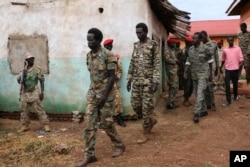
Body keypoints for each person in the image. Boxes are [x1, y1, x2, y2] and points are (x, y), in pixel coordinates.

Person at [76, 28, 125, 167]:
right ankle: (89, 155)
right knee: (89, 123)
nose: (88, 42)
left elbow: (112, 77)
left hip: (105, 95)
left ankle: (120, 145)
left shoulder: (108, 55)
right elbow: (92, 75)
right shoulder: (88, 55)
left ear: (98, 40)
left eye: (91, 40)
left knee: (106, 123)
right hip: (92, 94)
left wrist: (104, 97)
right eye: (87, 40)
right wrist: (96, 92)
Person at [127, 23, 159, 144]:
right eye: (137, 33)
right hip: (136, 81)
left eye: (140, 32)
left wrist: (155, 81)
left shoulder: (152, 45)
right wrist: (129, 78)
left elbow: (156, 63)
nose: (138, 35)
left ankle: (145, 132)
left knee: (146, 107)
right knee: (135, 104)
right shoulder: (136, 46)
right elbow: (132, 62)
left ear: (146, 32)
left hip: (148, 82)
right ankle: (150, 119)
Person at [17, 52, 50, 132]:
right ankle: (25, 125)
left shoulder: (37, 70)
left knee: (39, 109)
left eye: (32, 59)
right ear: (26, 61)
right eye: (29, 59)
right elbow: (19, 81)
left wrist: (42, 92)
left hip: (34, 91)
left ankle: (45, 125)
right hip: (25, 92)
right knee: (24, 110)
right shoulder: (23, 71)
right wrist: (23, 74)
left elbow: (42, 81)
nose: (32, 61)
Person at [184, 32, 213, 123]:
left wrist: (211, 74)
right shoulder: (191, 49)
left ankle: (196, 113)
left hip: (203, 74)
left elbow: (210, 61)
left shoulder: (205, 48)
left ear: (200, 39)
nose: (194, 40)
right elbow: (188, 61)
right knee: (197, 94)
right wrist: (185, 72)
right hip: (194, 74)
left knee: (200, 93)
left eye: (196, 38)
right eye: (193, 38)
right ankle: (204, 110)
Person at [103, 38, 126, 127]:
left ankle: (119, 118)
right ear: (104, 47)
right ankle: (103, 121)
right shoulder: (101, 57)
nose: (109, 47)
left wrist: (117, 77)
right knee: (104, 102)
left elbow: (120, 69)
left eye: (110, 46)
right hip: (104, 84)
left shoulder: (115, 57)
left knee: (117, 101)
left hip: (114, 84)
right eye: (107, 46)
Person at [220, 36, 244, 107]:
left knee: (235, 84)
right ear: (227, 41)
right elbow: (223, 59)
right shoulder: (225, 50)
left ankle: (235, 96)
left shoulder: (238, 49)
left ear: (233, 40)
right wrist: (221, 67)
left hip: (235, 69)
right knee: (227, 85)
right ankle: (228, 101)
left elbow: (241, 59)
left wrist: (241, 64)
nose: (230, 41)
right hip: (227, 69)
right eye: (229, 40)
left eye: (231, 40)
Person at [201, 30, 218, 111]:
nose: (202, 39)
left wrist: (217, 67)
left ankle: (213, 103)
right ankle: (208, 104)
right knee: (205, 87)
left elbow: (214, 55)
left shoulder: (213, 44)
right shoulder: (201, 44)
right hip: (203, 68)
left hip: (211, 67)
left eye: (203, 37)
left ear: (206, 36)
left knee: (210, 86)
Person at [165, 38, 179, 109]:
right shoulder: (167, 50)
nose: (174, 44)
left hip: (174, 71)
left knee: (174, 86)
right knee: (173, 86)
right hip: (171, 72)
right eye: (173, 43)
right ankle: (170, 103)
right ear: (170, 44)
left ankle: (172, 102)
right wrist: (175, 61)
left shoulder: (173, 50)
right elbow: (167, 59)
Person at [182, 36, 193, 107]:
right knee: (187, 85)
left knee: (191, 85)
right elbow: (183, 62)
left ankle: (187, 98)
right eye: (190, 42)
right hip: (186, 70)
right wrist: (184, 71)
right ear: (187, 43)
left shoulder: (191, 49)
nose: (192, 43)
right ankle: (186, 99)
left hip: (192, 70)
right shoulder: (184, 50)